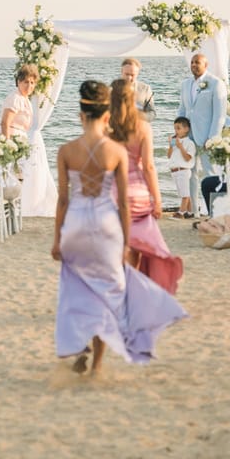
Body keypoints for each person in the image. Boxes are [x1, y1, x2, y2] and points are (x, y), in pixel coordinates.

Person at [52, 81, 187, 376]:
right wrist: (125, 241)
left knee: (77, 290)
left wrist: (56, 239)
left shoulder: (65, 150)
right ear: (104, 116)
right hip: (106, 223)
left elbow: (62, 200)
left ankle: (79, 345)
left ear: (80, 115)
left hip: (75, 225)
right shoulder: (116, 151)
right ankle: (98, 366)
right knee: (108, 292)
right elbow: (123, 203)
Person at [109, 79, 183, 293]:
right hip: (137, 193)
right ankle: (131, 287)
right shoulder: (142, 127)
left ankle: (119, 286)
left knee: (118, 242)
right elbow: (149, 166)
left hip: (112, 191)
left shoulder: (105, 126)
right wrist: (157, 200)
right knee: (137, 244)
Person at [176, 53, 228, 176]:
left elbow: (219, 114)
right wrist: (178, 132)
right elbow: (182, 109)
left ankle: (214, 190)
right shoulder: (185, 84)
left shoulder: (216, 83)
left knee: (210, 172)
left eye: (197, 62)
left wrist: (212, 138)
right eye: (192, 62)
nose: (194, 65)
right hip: (188, 135)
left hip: (206, 136)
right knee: (189, 172)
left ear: (206, 65)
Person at [167, 116, 196, 217]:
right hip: (175, 171)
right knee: (182, 192)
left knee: (184, 194)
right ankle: (190, 212)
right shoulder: (176, 142)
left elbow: (188, 158)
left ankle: (181, 212)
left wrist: (181, 147)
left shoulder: (189, 143)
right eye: (175, 128)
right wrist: (171, 146)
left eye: (178, 128)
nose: (176, 131)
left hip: (183, 170)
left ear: (186, 129)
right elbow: (169, 156)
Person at [1, 64, 37, 137]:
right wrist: (7, 142)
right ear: (19, 82)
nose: (29, 86)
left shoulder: (25, 99)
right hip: (11, 138)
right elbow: (5, 123)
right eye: (26, 82)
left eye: (32, 82)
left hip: (20, 138)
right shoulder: (15, 98)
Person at [121, 57, 156, 122]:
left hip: (138, 125)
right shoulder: (112, 89)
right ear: (121, 72)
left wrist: (141, 116)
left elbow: (152, 113)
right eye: (126, 74)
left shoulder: (145, 89)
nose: (129, 77)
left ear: (137, 74)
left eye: (132, 75)